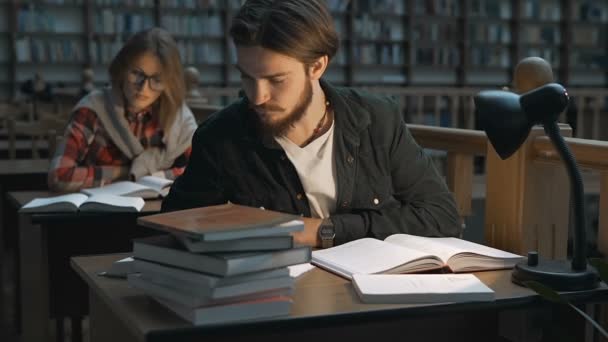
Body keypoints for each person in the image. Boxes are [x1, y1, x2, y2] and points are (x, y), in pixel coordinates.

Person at [162, 0, 461, 247]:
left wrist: (323, 231)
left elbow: (443, 217)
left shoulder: (378, 120)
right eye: (246, 77)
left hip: (376, 300)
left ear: (317, 66)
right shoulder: (220, 137)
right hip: (275, 302)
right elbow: (171, 228)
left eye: (275, 80)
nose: (257, 97)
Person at [48, 28, 197, 192]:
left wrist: (153, 175)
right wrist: (129, 172)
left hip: (158, 211)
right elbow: (60, 176)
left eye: (157, 79)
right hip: (100, 211)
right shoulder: (93, 109)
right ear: (122, 69)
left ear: (169, 83)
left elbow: (200, 172)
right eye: (136, 73)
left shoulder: (178, 116)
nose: (144, 87)